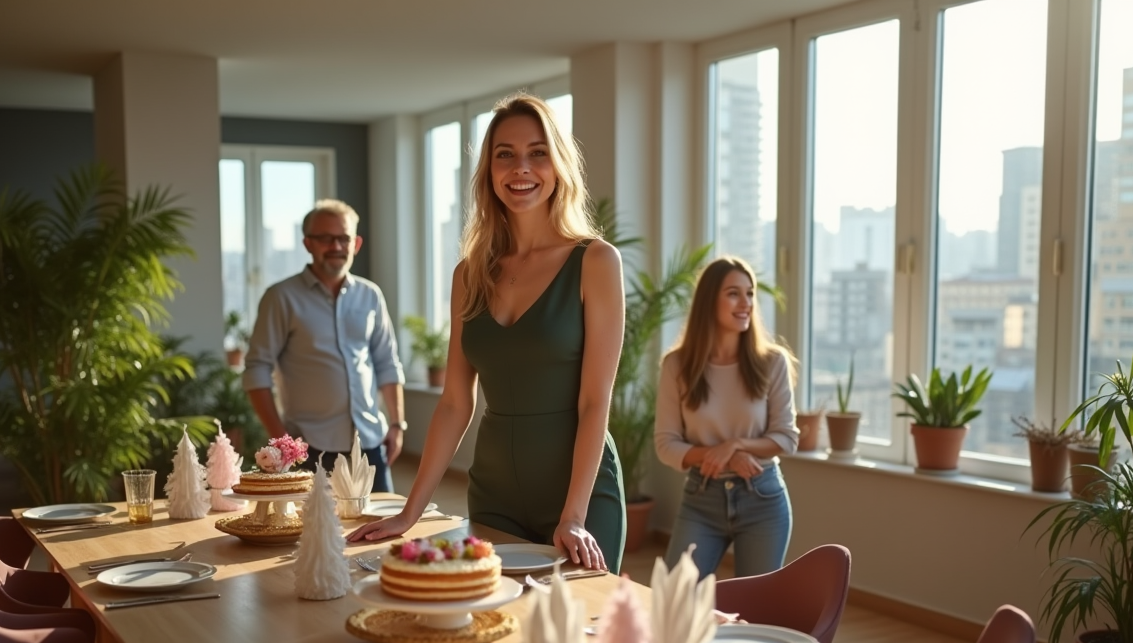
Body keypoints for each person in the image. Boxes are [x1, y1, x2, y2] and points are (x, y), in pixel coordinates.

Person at [348, 93, 627, 572]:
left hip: (579, 497)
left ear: (558, 164)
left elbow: (594, 401)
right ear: (489, 172)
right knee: (498, 628)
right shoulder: (469, 275)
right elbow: (456, 400)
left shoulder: (595, 261)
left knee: (575, 635)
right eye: (506, 154)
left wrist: (574, 516)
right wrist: (409, 512)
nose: (522, 168)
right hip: (495, 493)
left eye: (538, 152)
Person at [243, 199, 405, 493]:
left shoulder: (371, 295)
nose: (336, 246)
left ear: (356, 243)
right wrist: (281, 441)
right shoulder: (281, 297)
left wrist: (397, 424)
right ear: (307, 243)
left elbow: (386, 362)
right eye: (325, 238)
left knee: (380, 531)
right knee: (314, 535)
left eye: (343, 238)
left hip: (369, 444)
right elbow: (256, 371)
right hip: (309, 449)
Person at [653, 256, 799, 579]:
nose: (746, 303)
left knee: (756, 611)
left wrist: (733, 445)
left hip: (763, 498)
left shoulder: (772, 362)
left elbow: (786, 438)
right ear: (709, 302)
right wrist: (722, 458)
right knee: (674, 598)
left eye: (750, 293)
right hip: (701, 498)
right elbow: (666, 444)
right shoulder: (677, 366)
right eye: (734, 293)